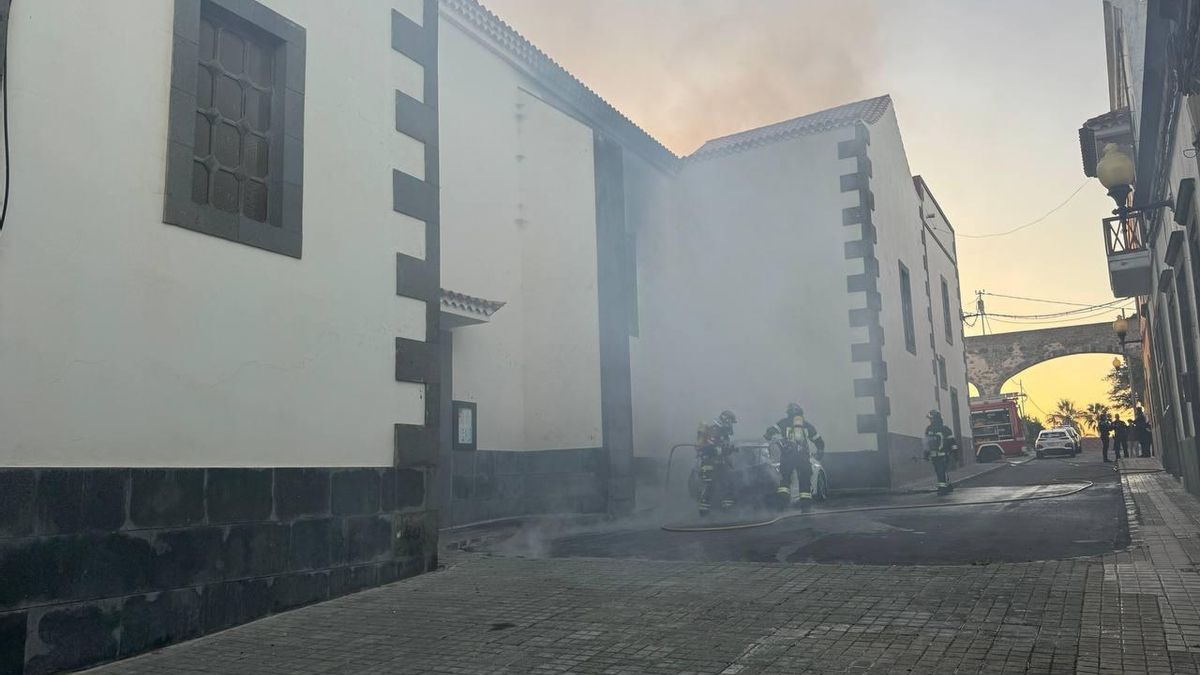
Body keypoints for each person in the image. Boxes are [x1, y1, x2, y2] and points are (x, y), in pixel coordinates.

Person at [776, 403, 825, 503]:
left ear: (788, 413)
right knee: (804, 479)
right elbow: (818, 439)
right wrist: (820, 449)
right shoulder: (806, 425)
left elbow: (771, 430)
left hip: (787, 457)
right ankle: (805, 504)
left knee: (785, 479)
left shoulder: (783, 423)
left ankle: (782, 503)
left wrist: (768, 435)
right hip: (803, 457)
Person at [696, 411, 738, 516]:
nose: (731, 425)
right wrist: (724, 450)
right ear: (726, 420)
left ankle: (727, 512)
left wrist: (730, 451)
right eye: (731, 422)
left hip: (720, 463)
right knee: (710, 486)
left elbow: (721, 449)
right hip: (709, 463)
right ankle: (704, 514)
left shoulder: (723, 433)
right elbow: (709, 449)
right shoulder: (714, 431)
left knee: (728, 484)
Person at [924, 410, 958, 490]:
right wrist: (955, 453)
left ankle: (942, 487)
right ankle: (946, 485)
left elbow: (927, 443)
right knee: (941, 470)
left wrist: (926, 454)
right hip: (943, 454)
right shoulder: (945, 429)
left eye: (931, 419)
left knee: (940, 471)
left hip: (937, 455)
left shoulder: (929, 429)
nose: (930, 420)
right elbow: (952, 443)